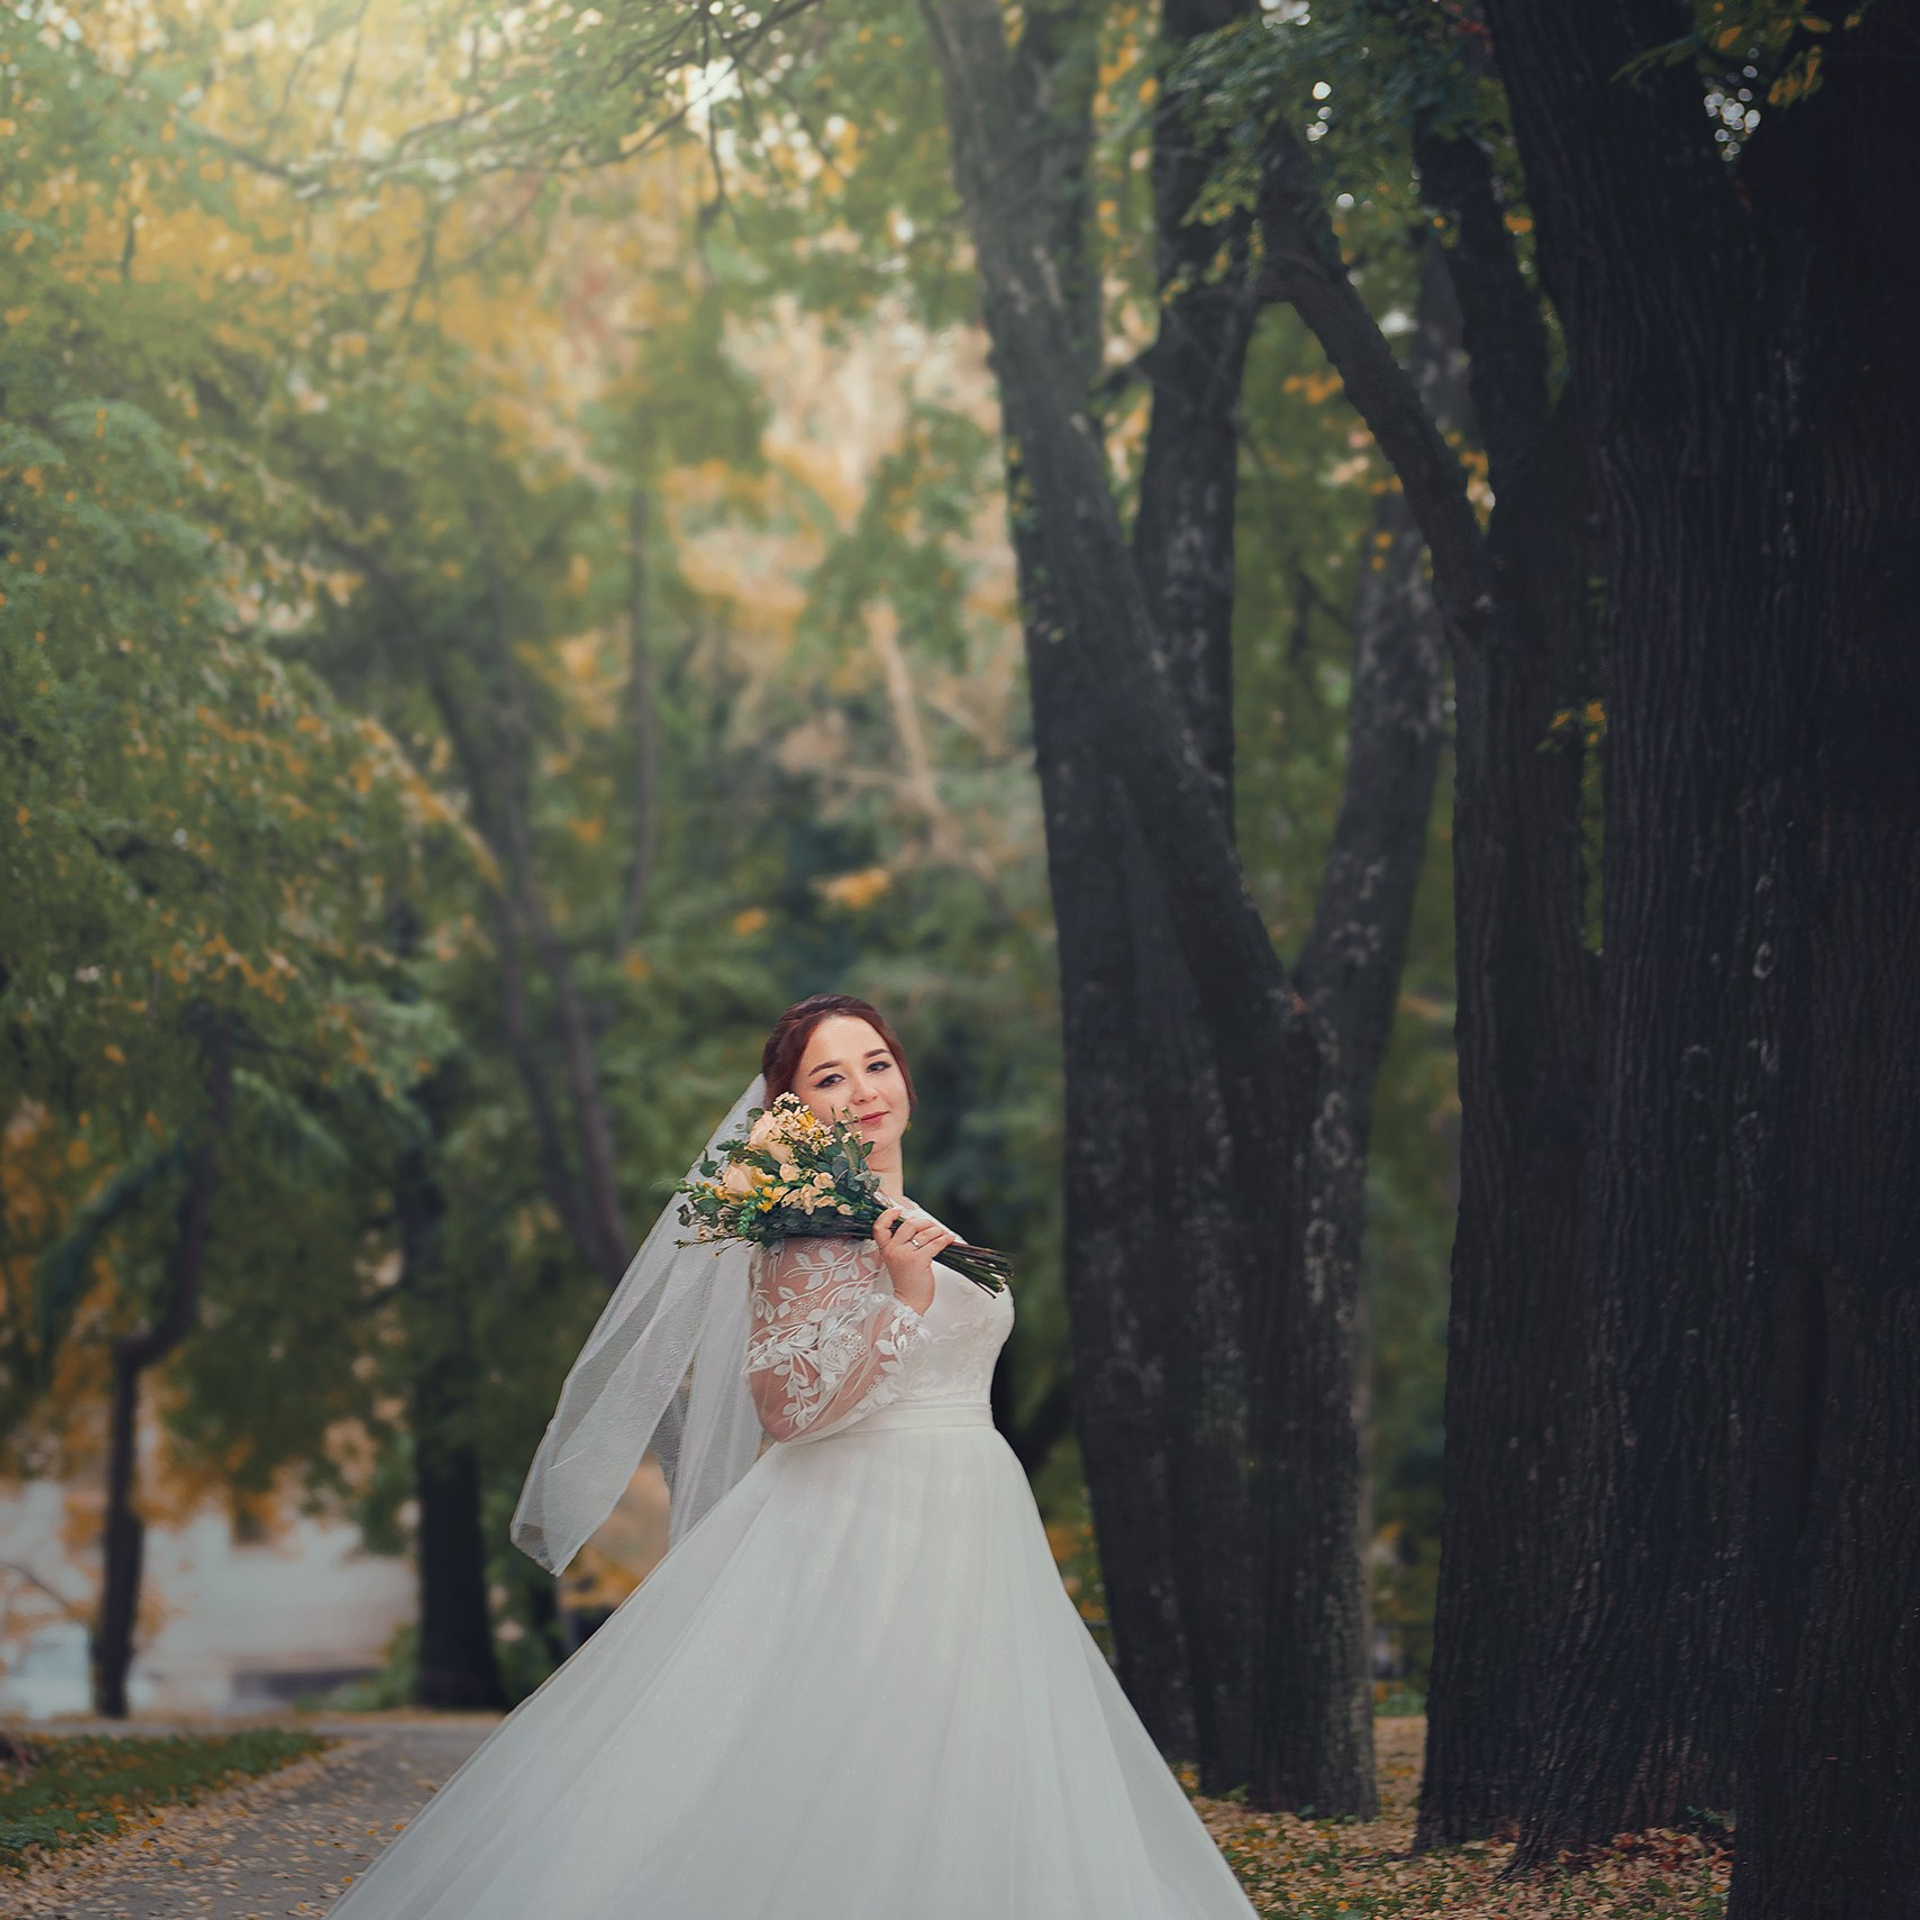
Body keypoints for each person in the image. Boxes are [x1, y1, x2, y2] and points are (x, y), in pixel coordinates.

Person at [326, 992, 1257, 1919]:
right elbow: (784, 1408)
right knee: (868, 1755)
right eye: (830, 1078)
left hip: (972, 1513)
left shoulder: (902, 1211)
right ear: (793, 1112)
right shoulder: (808, 1230)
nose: (864, 1091)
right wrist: (904, 1298)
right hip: (869, 1519)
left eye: (877, 1064)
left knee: (976, 1750)